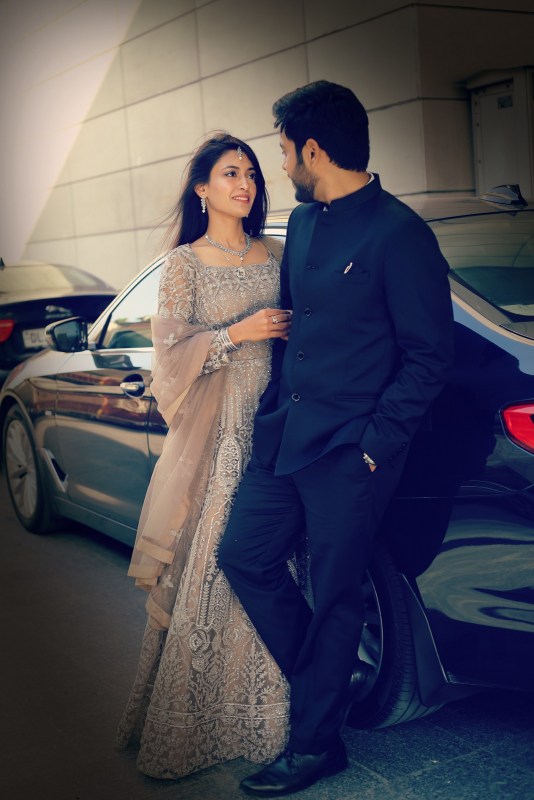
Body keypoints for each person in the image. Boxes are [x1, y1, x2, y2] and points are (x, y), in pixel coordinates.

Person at [218, 81, 455, 796]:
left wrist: (375, 446)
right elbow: (298, 328)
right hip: (285, 437)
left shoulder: (400, 233)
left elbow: (429, 357)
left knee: (336, 596)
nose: (282, 164)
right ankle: (328, 679)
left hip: (352, 451)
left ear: (313, 149)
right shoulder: (302, 223)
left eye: (284, 150)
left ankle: (316, 745)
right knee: (244, 556)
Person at [116, 132, 293, 779]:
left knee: (276, 564)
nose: (244, 184)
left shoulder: (279, 254)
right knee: (217, 564)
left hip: (279, 430)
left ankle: (271, 709)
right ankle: (199, 718)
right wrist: (238, 333)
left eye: (251, 173)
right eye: (229, 173)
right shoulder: (184, 265)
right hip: (222, 441)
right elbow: (168, 361)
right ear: (201, 188)